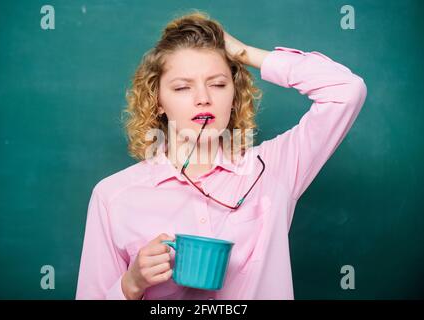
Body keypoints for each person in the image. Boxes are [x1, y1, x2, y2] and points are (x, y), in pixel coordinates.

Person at [75, 11, 367, 300]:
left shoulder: (272, 169)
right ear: (158, 101)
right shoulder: (113, 196)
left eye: (217, 84)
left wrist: (244, 53)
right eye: (182, 87)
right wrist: (132, 284)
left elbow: (347, 91)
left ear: (234, 94)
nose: (204, 97)